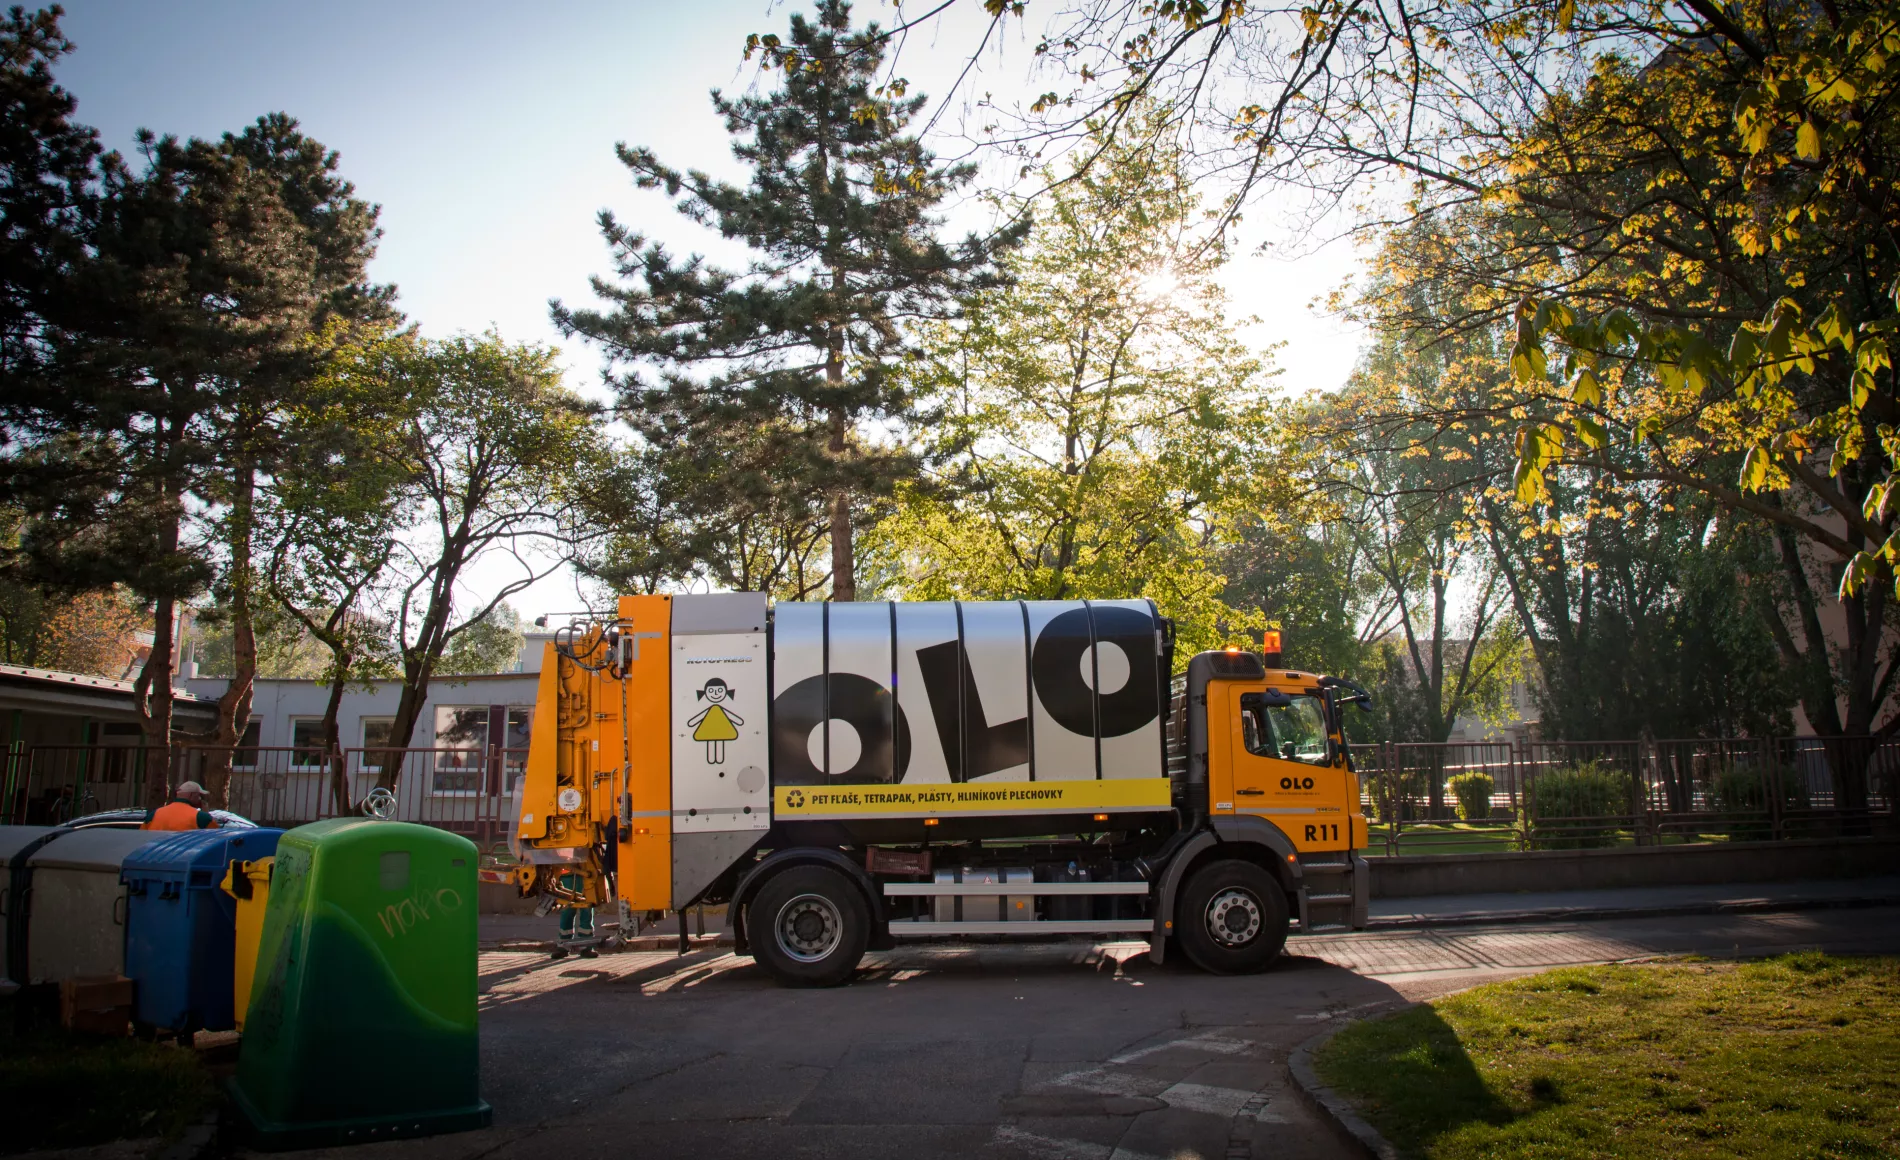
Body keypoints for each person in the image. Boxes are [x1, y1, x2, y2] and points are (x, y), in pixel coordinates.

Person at [141, 781, 220, 830]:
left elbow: (141, 835)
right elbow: (214, 837)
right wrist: (206, 814)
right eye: (199, 795)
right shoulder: (201, 817)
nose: (200, 799)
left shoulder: (155, 814)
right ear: (192, 795)